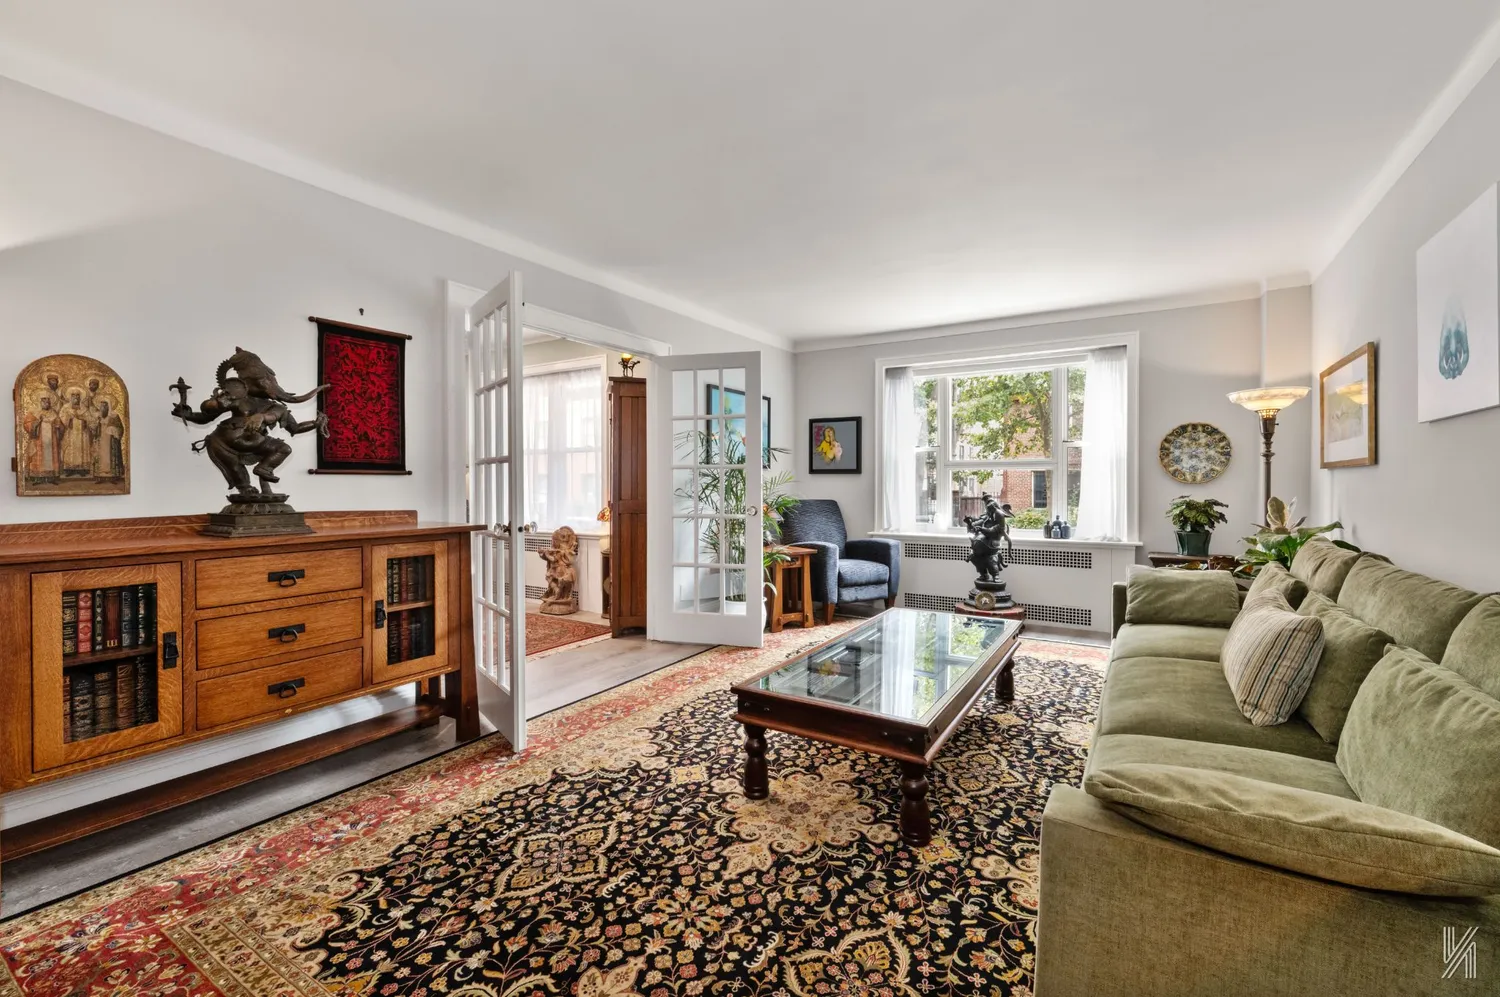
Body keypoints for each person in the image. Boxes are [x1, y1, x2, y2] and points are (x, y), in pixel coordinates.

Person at [24, 396, 62, 481]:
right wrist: (37, 422)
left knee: (51, 457)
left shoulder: (53, 412)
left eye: (48, 402)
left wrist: (58, 425)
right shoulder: (34, 412)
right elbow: (27, 424)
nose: (46, 403)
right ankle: (38, 477)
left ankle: (50, 477)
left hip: (51, 440)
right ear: (40, 402)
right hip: (39, 439)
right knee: (38, 456)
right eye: (44, 402)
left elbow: (58, 423)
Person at [94, 399, 125, 478]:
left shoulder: (114, 416)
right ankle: (100, 476)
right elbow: (94, 428)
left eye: (105, 406)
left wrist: (114, 429)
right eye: (101, 406)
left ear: (109, 407)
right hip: (101, 439)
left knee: (110, 455)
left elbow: (120, 428)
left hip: (111, 441)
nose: (103, 408)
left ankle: (113, 476)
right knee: (101, 455)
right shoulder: (98, 416)